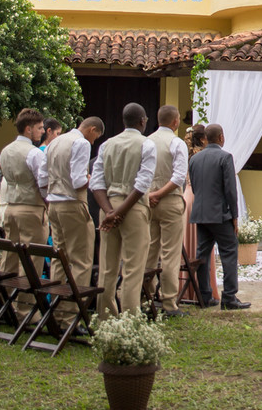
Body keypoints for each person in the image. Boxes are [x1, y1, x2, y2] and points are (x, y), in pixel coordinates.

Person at [91, 103, 157, 318]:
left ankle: (105, 316)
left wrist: (109, 212)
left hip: (108, 204)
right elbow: (142, 183)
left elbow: (97, 181)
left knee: (107, 266)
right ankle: (130, 316)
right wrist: (120, 212)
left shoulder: (107, 145)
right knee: (133, 266)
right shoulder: (146, 145)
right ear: (142, 121)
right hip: (133, 207)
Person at [44, 116, 104, 323]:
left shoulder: (54, 143)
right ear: (91, 129)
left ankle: (56, 309)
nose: (93, 142)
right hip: (72, 203)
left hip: (53, 204)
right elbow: (78, 181)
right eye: (95, 137)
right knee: (81, 261)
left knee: (60, 258)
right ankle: (71, 316)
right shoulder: (81, 143)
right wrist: (93, 179)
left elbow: (43, 178)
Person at [188, 123, 249, 309]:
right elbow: (230, 190)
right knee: (229, 252)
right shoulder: (225, 157)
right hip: (220, 214)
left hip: (200, 212)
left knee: (202, 255)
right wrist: (235, 216)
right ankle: (229, 297)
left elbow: (196, 186)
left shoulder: (194, 159)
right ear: (221, 137)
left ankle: (205, 296)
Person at [0, 108, 50, 305]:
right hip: (30, 207)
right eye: (39, 128)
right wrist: (48, 204)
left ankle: (5, 303)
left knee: (10, 257)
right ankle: (26, 308)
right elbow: (42, 183)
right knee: (31, 259)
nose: (42, 131)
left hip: (10, 206)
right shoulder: (34, 153)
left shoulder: (5, 151)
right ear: (28, 129)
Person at [145, 105, 189, 318]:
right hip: (168, 200)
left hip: (147, 201)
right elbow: (179, 176)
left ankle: (146, 295)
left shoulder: (146, 141)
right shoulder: (176, 142)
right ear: (175, 122)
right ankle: (169, 301)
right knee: (170, 253)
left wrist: (150, 195)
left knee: (150, 250)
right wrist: (160, 194)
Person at [180, 125, 218, 304]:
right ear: (204, 139)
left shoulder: (186, 155)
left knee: (186, 244)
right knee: (203, 244)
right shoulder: (204, 155)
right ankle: (203, 289)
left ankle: (183, 289)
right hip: (201, 199)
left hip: (186, 198)